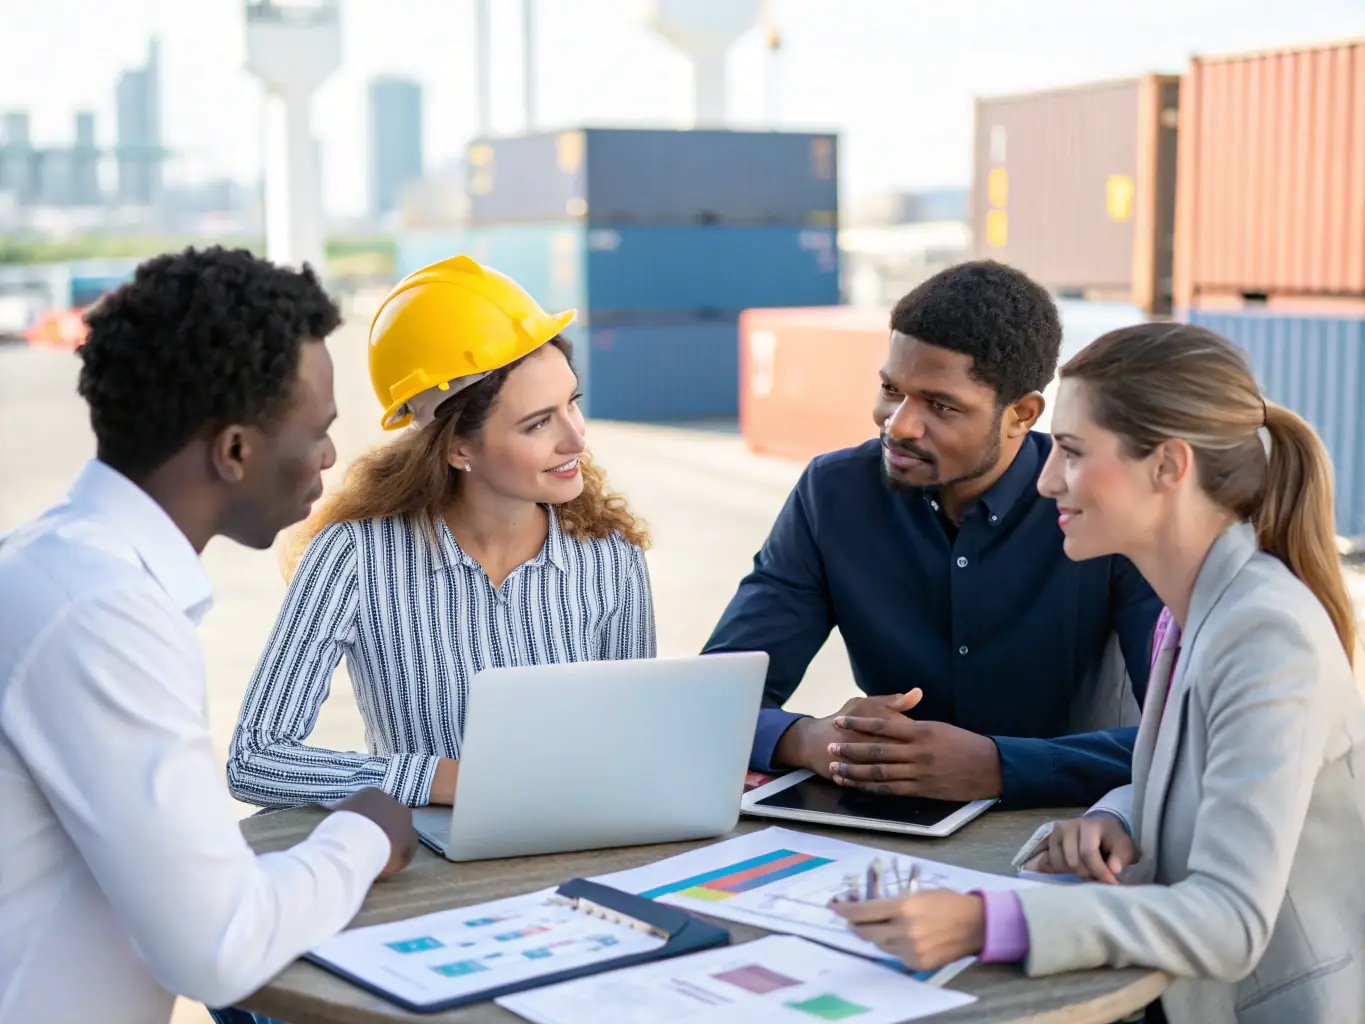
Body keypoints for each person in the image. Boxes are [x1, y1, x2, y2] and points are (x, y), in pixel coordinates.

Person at [831, 323, 1365, 1024]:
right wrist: (1118, 810)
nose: (1048, 477)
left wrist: (984, 922)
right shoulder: (1199, 605)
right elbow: (1210, 780)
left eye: (1073, 453)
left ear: (1167, 467)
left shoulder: (1265, 634)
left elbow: (1231, 922)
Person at [0, 247, 418, 1024]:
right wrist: (365, 831)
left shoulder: (54, 568)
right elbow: (218, 946)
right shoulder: (101, 612)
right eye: (318, 431)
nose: (330, 455)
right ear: (234, 452)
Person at [704, 261, 1163, 808]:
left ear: (1021, 413)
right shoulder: (833, 495)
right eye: (889, 389)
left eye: (940, 405)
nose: (898, 424)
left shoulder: (1100, 509)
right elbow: (712, 698)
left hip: (1071, 828)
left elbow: (1181, 739)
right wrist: (808, 739)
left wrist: (999, 766)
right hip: (878, 829)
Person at [225, 254, 655, 811]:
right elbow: (256, 760)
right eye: (538, 423)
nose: (577, 441)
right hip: (432, 868)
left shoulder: (610, 558)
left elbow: (636, 741)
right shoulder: (354, 559)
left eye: (571, 404)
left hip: (584, 841)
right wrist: (440, 780)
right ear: (458, 447)